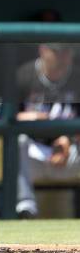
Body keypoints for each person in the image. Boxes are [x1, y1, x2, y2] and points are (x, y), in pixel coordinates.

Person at [16, 43, 80, 218]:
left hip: (70, 154)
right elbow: (1, 117)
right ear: (43, 50)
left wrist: (69, 139)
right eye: (58, 52)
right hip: (33, 154)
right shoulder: (23, 75)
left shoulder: (77, 76)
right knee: (17, 141)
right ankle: (25, 208)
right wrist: (32, 118)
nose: (64, 57)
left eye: (68, 51)